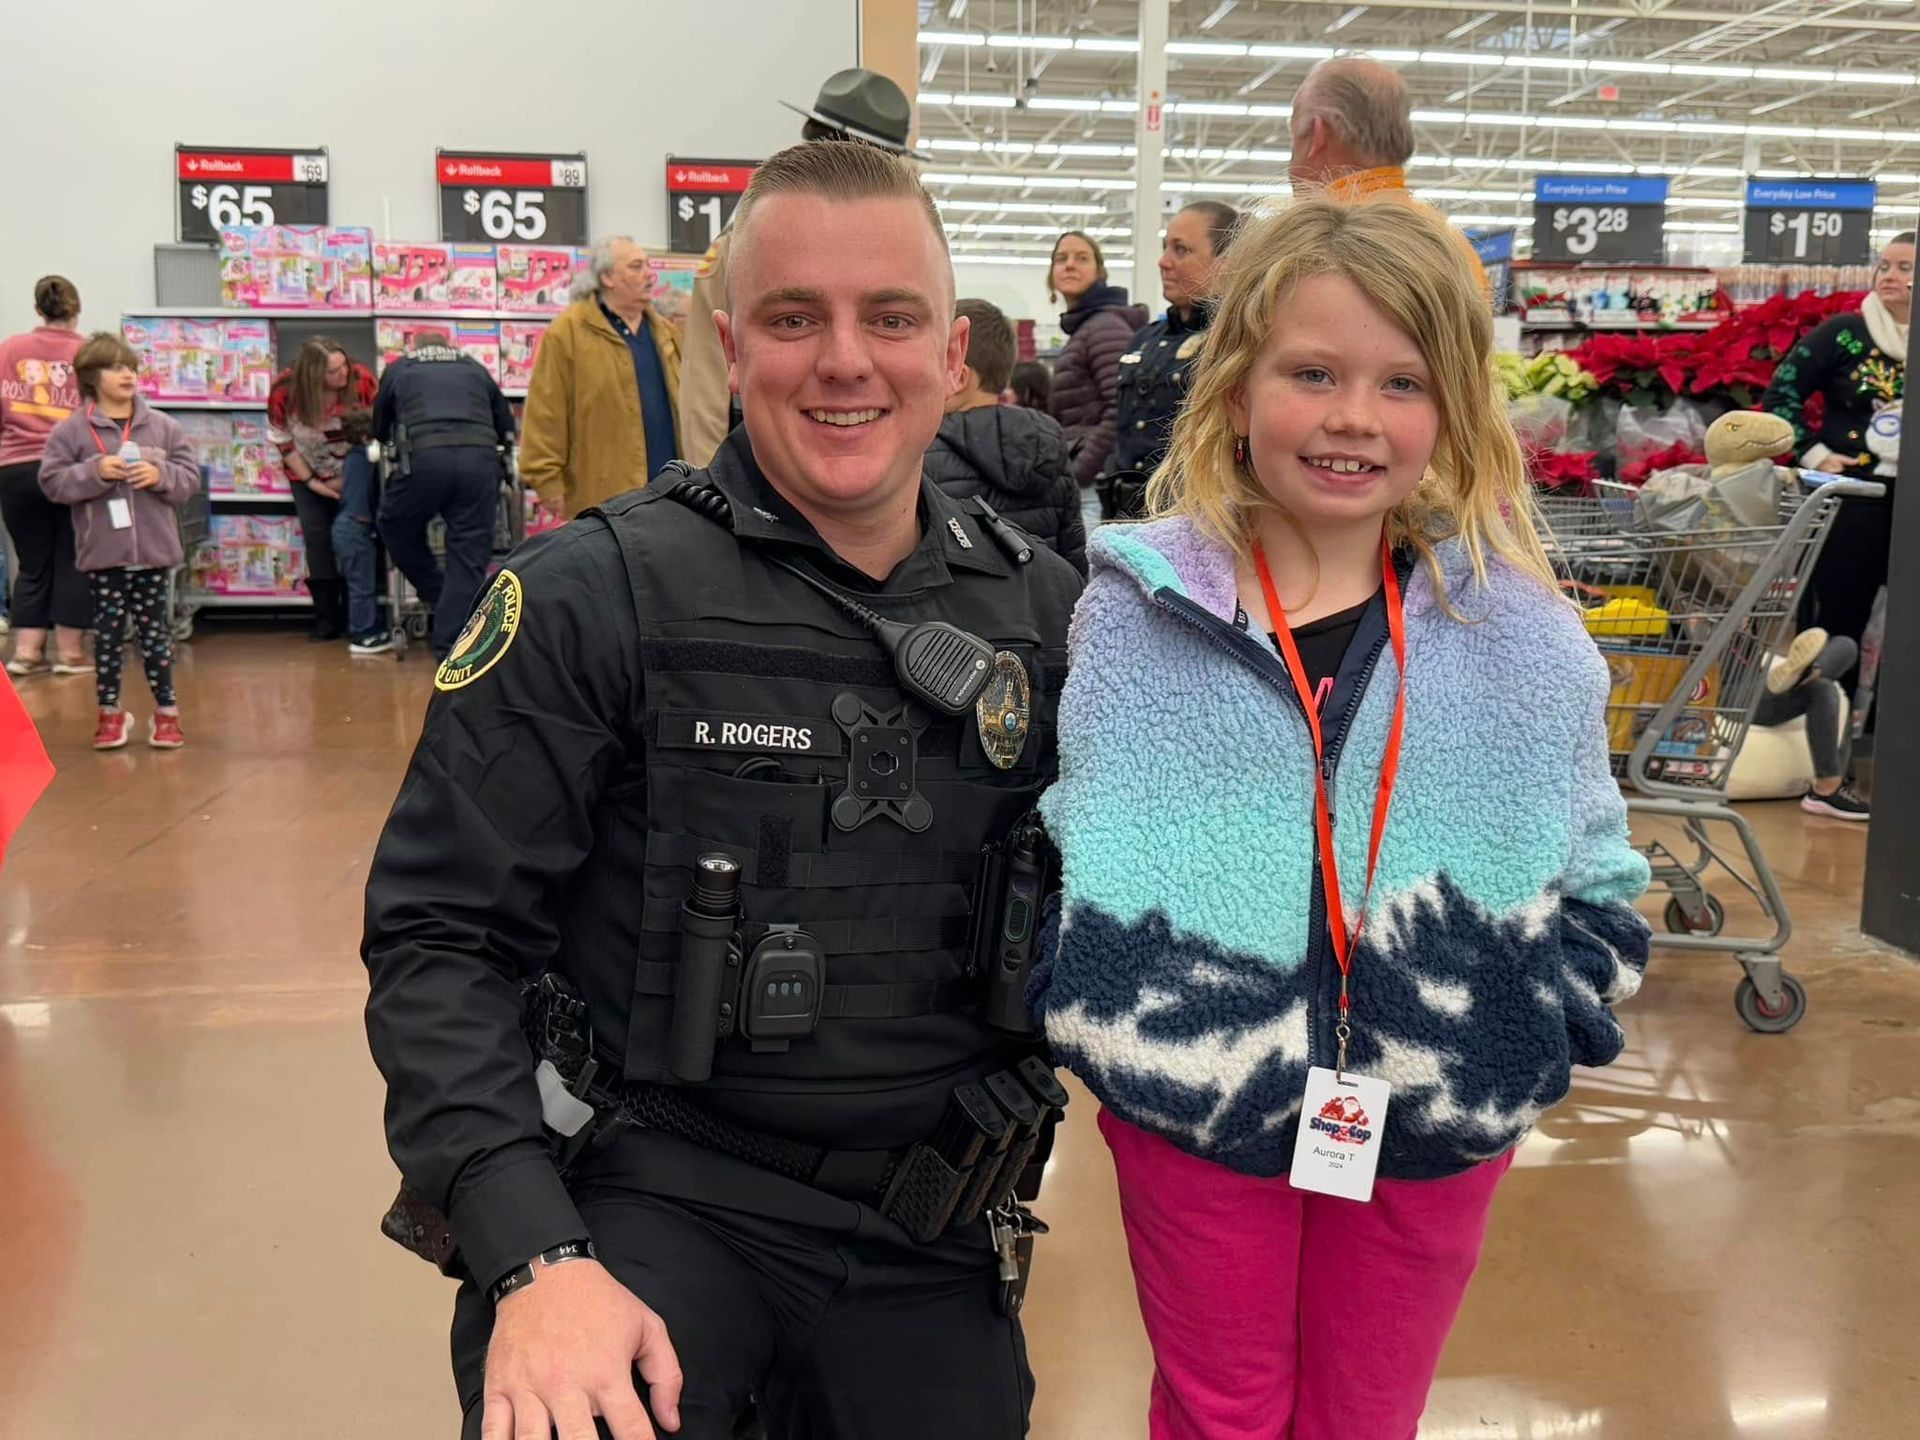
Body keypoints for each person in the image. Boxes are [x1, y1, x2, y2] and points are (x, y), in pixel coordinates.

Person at [363, 140, 1083, 1440]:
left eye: (892, 318)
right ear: (735, 346)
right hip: (652, 1198)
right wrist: (531, 1254)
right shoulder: (594, 595)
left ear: (955, 356)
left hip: (932, 1236)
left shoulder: (1051, 618)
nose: (846, 360)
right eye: (797, 319)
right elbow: (441, 940)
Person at [1029, 195, 1652, 1440]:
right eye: (1313, 373)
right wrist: (1095, 991)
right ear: (1239, 387)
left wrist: (1541, 1019)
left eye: (1402, 383)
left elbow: (1599, 869)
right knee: (1220, 1408)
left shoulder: (1523, 638)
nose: (1355, 417)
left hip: (1437, 1106)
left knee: (1369, 1416)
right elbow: (1077, 827)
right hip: (1190, 1097)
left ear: (1453, 411)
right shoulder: (1138, 611)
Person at [680, 68, 924, 468]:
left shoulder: (909, 248)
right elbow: (707, 379)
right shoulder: (747, 241)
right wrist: (710, 485)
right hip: (762, 465)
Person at [1761, 231, 1912, 692]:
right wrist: (1816, 454)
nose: (1889, 275)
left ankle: (1892, 746)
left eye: (1905, 267)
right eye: (1884, 265)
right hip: (1853, 501)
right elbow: (1780, 395)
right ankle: (1827, 730)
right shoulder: (1843, 332)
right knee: (1839, 619)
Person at [36, 333, 199, 750]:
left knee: (155, 636)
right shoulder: (71, 432)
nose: (127, 374)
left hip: (154, 555)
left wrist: (159, 476)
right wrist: (94, 472)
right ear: (91, 377)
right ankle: (109, 712)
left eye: (130, 366)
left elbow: (188, 479)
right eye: (115, 367)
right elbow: (52, 482)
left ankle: (167, 713)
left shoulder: (163, 426)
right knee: (107, 636)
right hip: (103, 555)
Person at [370, 328, 516, 658]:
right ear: (448, 347)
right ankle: (453, 645)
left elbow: (379, 426)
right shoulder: (474, 366)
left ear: (415, 347)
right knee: (468, 550)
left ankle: (437, 592)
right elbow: (505, 421)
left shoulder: (400, 367)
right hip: (479, 464)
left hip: (423, 462)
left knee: (394, 525)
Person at [519, 237, 682, 519]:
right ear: (606, 277)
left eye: (647, 265)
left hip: (670, 490)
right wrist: (546, 479)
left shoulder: (666, 332)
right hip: (602, 494)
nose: (648, 274)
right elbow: (546, 410)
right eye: (635, 267)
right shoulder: (567, 333)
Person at [1098, 201, 1240, 520]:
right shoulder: (1144, 340)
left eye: (1181, 250)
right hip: (1125, 515)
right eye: (1166, 248)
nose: (1163, 262)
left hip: (1192, 518)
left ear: (1226, 264)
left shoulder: (1234, 345)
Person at [925, 299, 1085, 574]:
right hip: (1045, 612)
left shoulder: (927, 453)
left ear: (959, 376)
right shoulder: (1049, 444)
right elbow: (1074, 559)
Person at [0, 276, 93, 676]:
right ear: (76, 309)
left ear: (39, 309)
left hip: (15, 469)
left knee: (32, 562)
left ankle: (27, 653)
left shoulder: (9, 349)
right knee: (73, 557)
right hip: (71, 467)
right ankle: (70, 654)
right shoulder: (90, 353)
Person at [268, 338, 378, 641]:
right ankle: (327, 619)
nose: (343, 373)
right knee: (317, 539)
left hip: (355, 469)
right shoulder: (284, 391)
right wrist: (312, 481)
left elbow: (378, 430)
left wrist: (351, 478)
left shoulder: (362, 379)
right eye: (333, 371)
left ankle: (364, 617)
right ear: (312, 376)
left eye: (344, 364)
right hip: (307, 470)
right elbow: (281, 438)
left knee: (356, 534)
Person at [1044, 230, 1148, 532]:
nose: (1069, 265)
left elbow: (1121, 409)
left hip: (1096, 484)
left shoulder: (1104, 327)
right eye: (1061, 259)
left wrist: (1080, 472)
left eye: (1081, 258)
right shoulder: (1086, 328)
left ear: (1100, 272)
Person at [1755, 627, 1870, 819]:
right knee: (1823, 690)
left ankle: (1810, 672)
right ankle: (1826, 789)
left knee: (1846, 644)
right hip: (1741, 697)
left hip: (1766, 679)